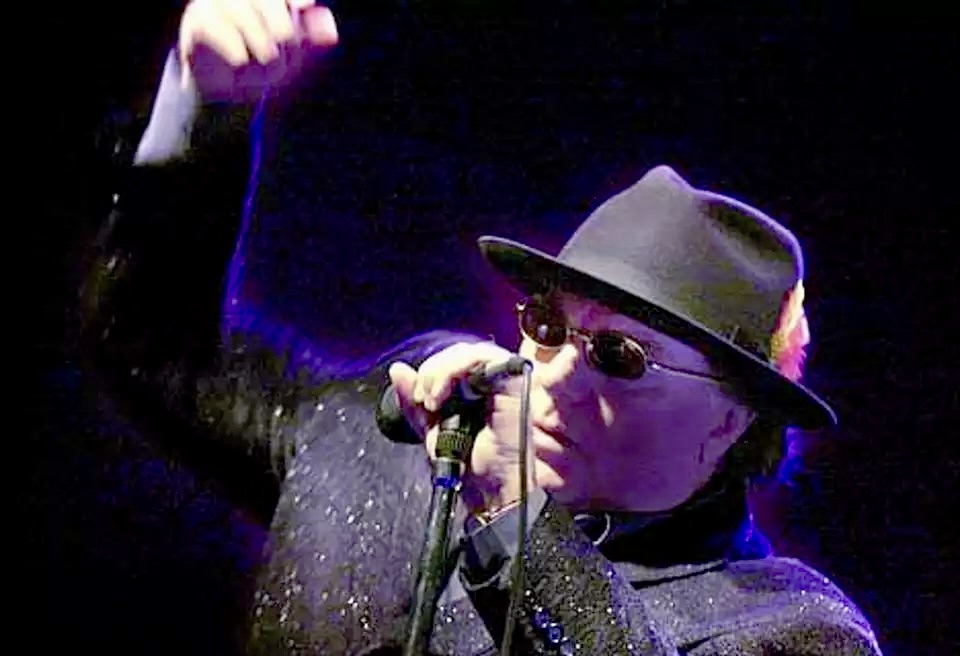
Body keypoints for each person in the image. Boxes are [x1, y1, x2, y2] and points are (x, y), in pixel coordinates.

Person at [81, 1, 883, 653]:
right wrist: (203, 107)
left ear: (731, 415)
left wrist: (515, 516)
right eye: (546, 323)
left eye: (618, 354)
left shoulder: (792, 627)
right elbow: (156, 348)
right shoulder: (412, 441)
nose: (555, 373)